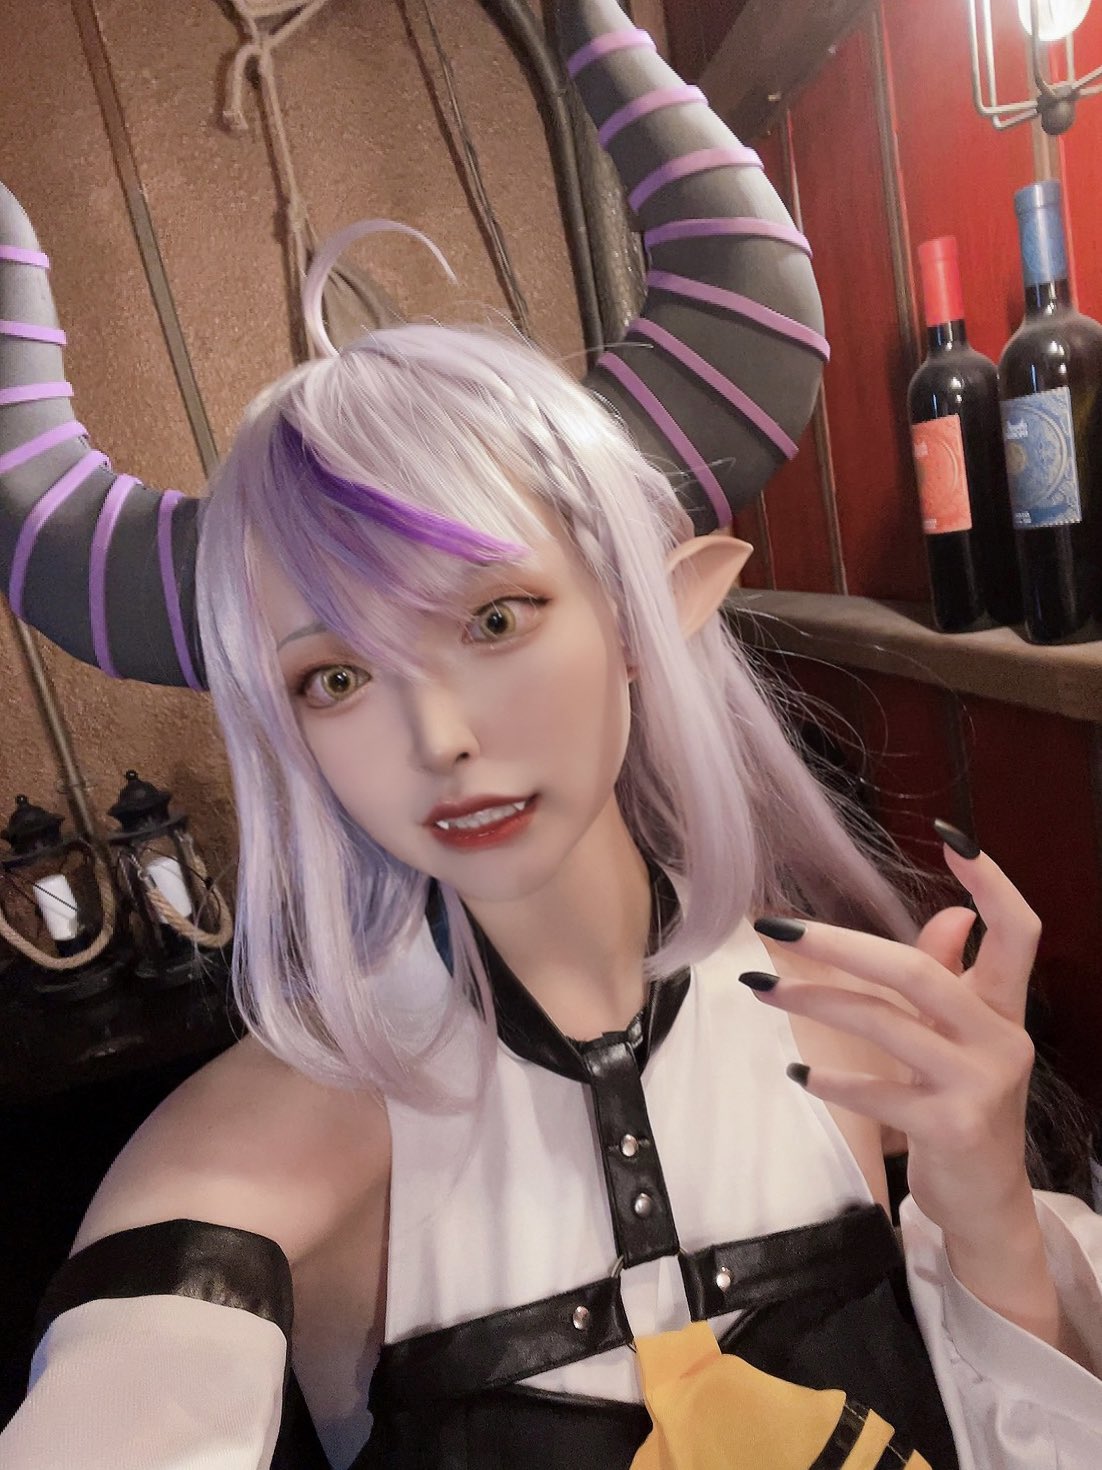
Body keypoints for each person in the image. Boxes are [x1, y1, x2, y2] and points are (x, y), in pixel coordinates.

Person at [1, 3, 1101, 1468]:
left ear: (662, 613)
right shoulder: (249, 1161)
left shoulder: (873, 1034)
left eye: (497, 617)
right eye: (335, 677)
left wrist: (989, 1214)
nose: (437, 735)